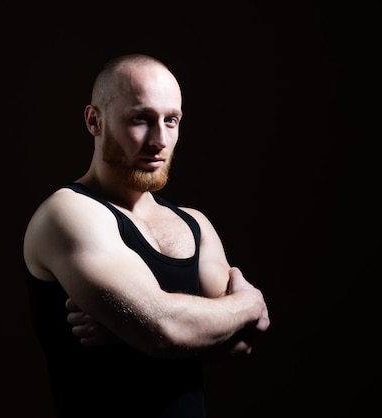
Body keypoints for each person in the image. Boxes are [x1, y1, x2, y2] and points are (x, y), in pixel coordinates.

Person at [23, 53, 270, 418]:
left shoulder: (193, 223)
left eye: (171, 121)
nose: (159, 139)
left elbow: (241, 343)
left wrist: (130, 332)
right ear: (95, 121)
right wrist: (249, 303)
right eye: (140, 119)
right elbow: (164, 330)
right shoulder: (68, 213)